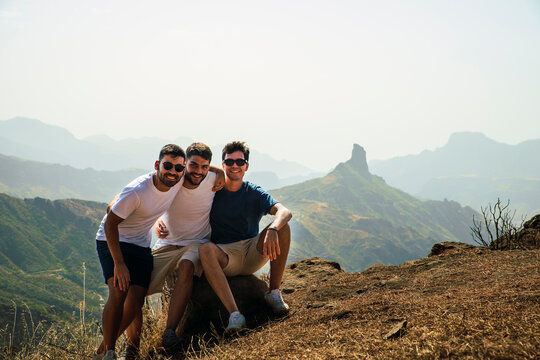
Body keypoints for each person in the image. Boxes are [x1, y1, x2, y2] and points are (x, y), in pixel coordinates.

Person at [122, 142, 223, 356]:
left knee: (186, 266)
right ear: (184, 164)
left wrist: (219, 170)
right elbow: (149, 197)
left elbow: (227, 173)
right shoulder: (173, 178)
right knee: (134, 287)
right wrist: (156, 220)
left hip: (197, 243)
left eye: (205, 167)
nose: (198, 171)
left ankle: (169, 333)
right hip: (166, 245)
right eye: (193, 165)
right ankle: (131, 347)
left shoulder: (213, 180)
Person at [94, 144, 186, 360]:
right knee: (118, 292)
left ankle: (120, 350)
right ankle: (108, 352)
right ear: (157, 165)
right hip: (113, 240)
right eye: (168, 165)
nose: (173, 171)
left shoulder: (179, 179)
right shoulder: (138, 191)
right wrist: (119, 264)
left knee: (136, 300)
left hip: (141, 244)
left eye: (178, 167)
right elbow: (110, 225)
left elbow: (208, 168)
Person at [199, 141, 293, 332]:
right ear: (223, 165)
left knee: (284, 227)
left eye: (240, 162)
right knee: (205, 249)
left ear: (246, 166)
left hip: (252, 252)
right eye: (229, 162)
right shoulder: (212, 190)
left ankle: (273, 292)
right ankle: (235, 315)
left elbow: (284, 211)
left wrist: (273, 229)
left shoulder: (254, 192)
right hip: (225, 256)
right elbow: (188, 167)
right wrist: (162, 221)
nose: (235, 166)